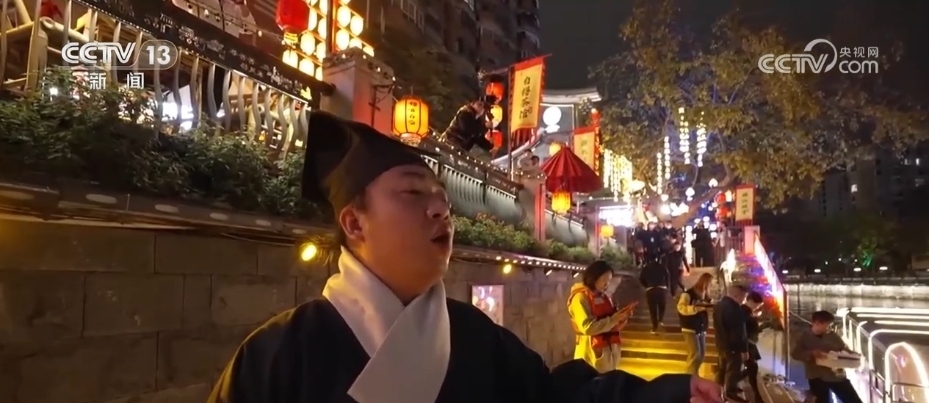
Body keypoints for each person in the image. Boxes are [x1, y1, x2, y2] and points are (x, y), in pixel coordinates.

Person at [207, 111, 724, 403]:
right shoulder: (281, 354)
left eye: (443, 198)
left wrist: (668, 396)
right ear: (354, 223)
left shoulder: (474, 335)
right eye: (413, 193)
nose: (440, 210)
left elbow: (553, 398)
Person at [566, 260, 634, 373]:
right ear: (593, 278)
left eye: (609, 281)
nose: (606, 285)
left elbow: (612, 326)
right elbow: (587, 328)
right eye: (604, 281)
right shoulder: (580, 298)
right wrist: (614, 319)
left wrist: (622, 317)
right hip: (590, 355)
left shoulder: (604, 297)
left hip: (608, 355)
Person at [791, 310, 864, 403]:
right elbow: (795, 354)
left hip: (836, 375)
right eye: (827, 325)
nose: (829, 328)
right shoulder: (803, 337)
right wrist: (811, 353)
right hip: (816, 376)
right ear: (817, 323)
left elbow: (843, 348)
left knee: (853, 400)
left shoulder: (833, 336)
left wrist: (852, 354)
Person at [713, 284, 750, 403]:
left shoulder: (720, 305)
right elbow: (739, 332)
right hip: (732, 346)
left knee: (722, 369)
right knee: (732, 370)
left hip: (721, 343)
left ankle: (716, 390)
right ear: (736, 295)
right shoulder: (734, 309)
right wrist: (744, 349)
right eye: (744, 297)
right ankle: (730, 393)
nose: (744, 300)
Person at [677, 273, 713, 376]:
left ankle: (694, 375)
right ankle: (689, 378)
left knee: (701, 355)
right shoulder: (688, 294)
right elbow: (681, 308)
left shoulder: (706, 296)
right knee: (695, 354)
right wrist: (695, 309)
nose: (710, 286)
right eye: (709, 283)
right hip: (690, 327)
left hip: (701, 327)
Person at [741, 291, 766, 403]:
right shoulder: (744, 313)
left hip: (749, 344)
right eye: (756, 305)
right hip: (748, 345)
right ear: (750, 301)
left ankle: (757, 396)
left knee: (752, 369)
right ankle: (757, 396)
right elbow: (746, 330)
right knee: (752, 369)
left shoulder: (746, 312)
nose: (757, 307)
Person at [638, 257, 670, 334]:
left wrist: (647, 285)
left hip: (651, 289)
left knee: (653, 310)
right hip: (661, 288)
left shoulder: (646, 268)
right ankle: (660, 319)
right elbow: (667, 276)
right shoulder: (662, 267)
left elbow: (641, 279)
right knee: (662, 306)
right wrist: (666, 286)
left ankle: (654, 327)